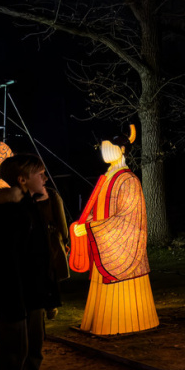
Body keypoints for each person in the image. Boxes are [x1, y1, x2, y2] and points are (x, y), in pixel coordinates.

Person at [0, 154, 64, 370]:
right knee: (13, 350)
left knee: (33, 348)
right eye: (39, 173)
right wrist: (13, 300)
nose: (44, 177)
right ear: (22, 180)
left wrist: (48, 293)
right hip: (14, 296)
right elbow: (7, 260)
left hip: (32, 294)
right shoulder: (8, 212)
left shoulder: (30, 206)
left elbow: (40, 254)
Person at [71, 125, 159, 336]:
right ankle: (98, 322)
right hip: (103, 240)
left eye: (109, 147)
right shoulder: (106, 178)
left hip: (119, 245)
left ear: (122, 150)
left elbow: (129, 218)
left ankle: (127, 323)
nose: (105, 152)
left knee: (125, 300)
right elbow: (97, 209)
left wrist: (92, 228)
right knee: (101, 293)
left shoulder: (129, 180)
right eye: (102, 148)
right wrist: (85, 224)